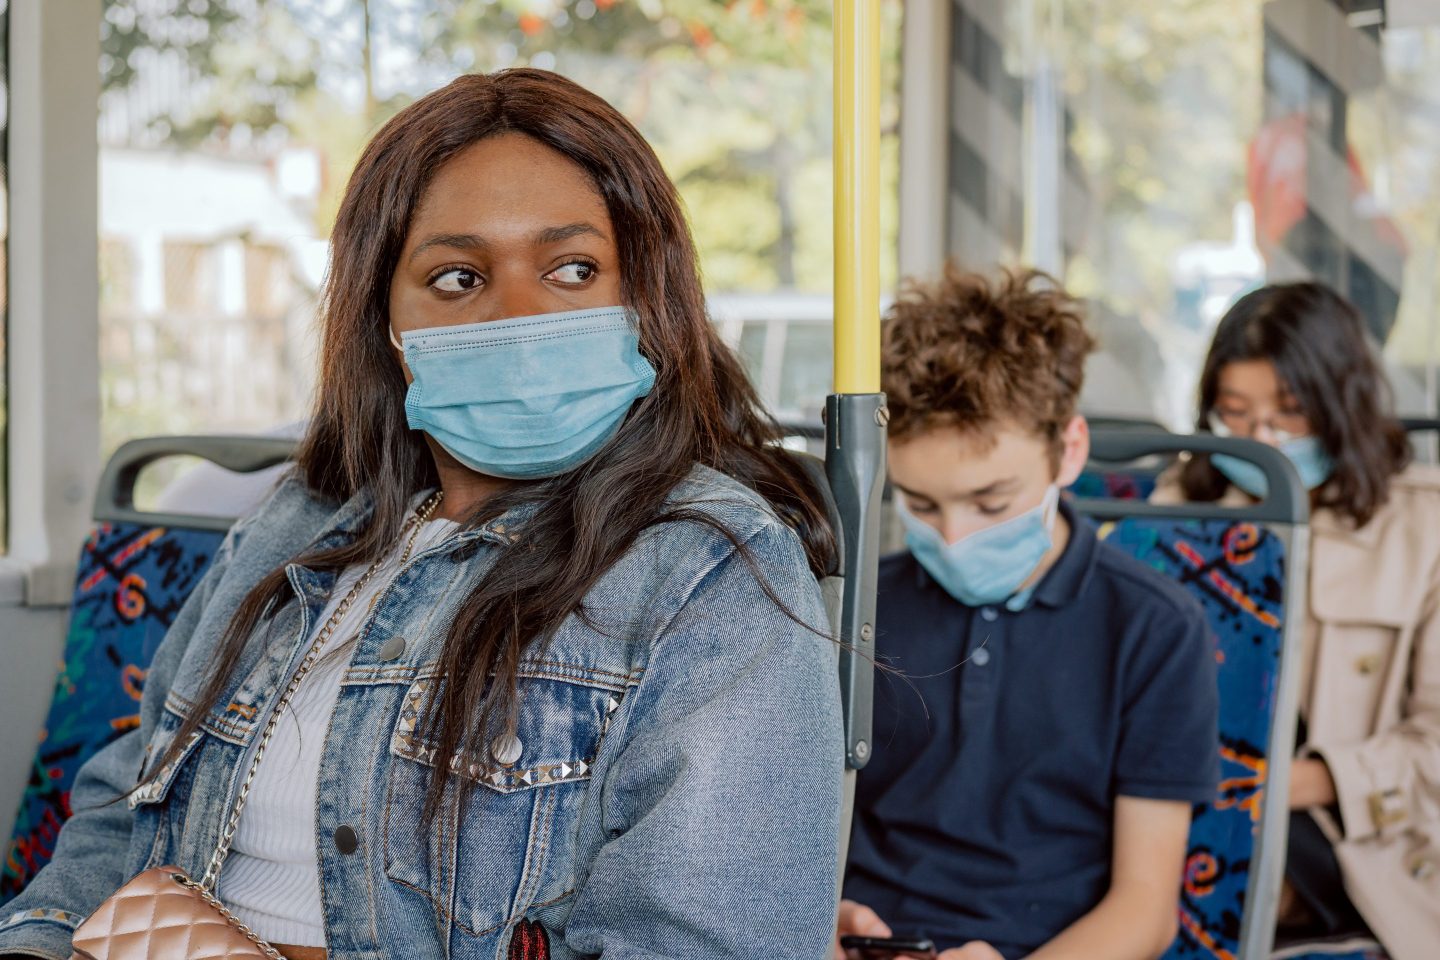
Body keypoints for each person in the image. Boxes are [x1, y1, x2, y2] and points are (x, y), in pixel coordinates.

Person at [0, 70, 844, 960]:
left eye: (571, 268)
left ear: (647, 301)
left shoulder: (710, 570)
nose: (518, 317)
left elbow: (702, 944)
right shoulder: (301, 520)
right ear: (387, 324)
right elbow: (125, 804)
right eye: (456, 276)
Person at [837, 267, 1218, 960]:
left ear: (1068, 451)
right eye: (921, 506)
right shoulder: (858, 609)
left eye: (990, 503)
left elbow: (1145, 909)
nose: (953, 539)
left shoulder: (1154, 630)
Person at [1153, 282, 1440, 960]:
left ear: (1343, 408)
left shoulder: (1423, 528)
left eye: (1290, 414)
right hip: (1170, 803)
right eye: (1236, 413)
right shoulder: (1171, 513)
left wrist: (1286, 782)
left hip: (1353, 830)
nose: (1262, 440)